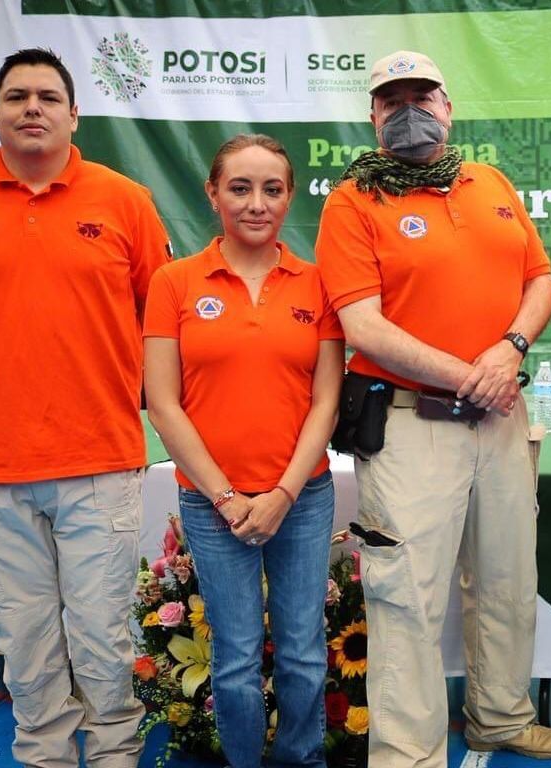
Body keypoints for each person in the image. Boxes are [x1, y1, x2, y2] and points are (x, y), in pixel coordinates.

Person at [314, 50, 551, 767]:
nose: (408, 112)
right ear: (372, 116)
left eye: (421, 97)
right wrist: (473, 376)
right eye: (391, 101)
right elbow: (364, 327)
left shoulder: (489, 182)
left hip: (501, 419)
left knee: (507, 582)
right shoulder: (351, 202)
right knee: (407, 599)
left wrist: (510, 351)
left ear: (448, 107)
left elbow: (541, 280)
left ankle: (501, 718)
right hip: (410, 425)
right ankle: (408, 756)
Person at [0, 48, 170, 768]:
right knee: (26, 646)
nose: (33, 107)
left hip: (99, 460)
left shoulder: (124, 200)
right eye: (17, 96)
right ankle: (46, 758)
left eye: (48, 97)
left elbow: (157, 320)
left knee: (103, 640)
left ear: (73, 115)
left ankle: (115, 755)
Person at [143, 134, 344, 768]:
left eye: (272, 189)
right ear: (212, 194)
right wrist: (227, 497)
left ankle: (301, 759)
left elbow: (326, 403)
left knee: (303, 652)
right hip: (212, 505)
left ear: (288, 198)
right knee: (233, 659)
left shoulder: (318, 284)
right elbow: (163, 403)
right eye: (240, 188)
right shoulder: (173, 283)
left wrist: (283, 493)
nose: (257, 203)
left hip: (302, 498)